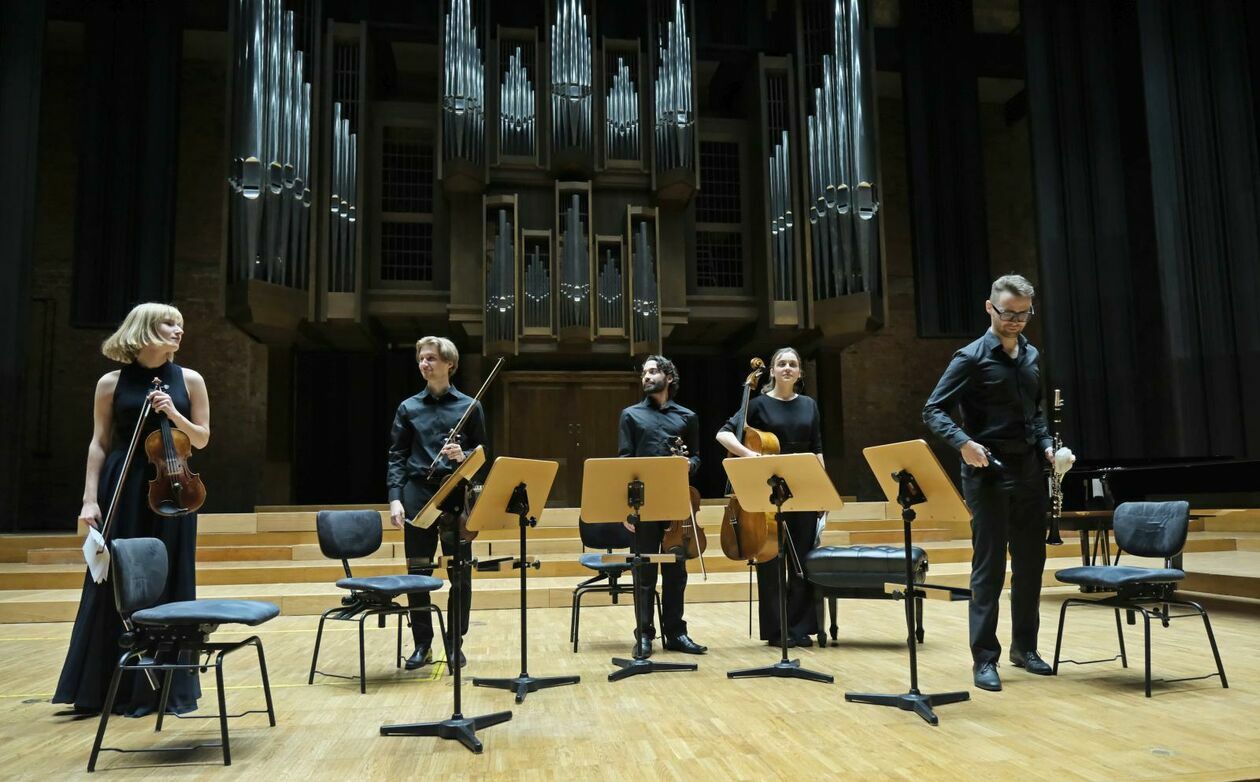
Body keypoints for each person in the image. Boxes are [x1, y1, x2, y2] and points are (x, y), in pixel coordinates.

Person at [54, 302, 209, 716]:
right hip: (123, 485)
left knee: (169, 579)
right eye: (169, 323)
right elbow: (99, 443)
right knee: (117, 584)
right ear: (143, 329)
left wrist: (173, 413)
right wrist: (90, 499)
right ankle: (108, 688)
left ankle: (164, 689)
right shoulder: (110, 383)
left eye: (180, 324)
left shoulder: (189, 380)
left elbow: (201, 439)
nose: (179, 330)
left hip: (172, 489)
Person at [923, 273, 1059, 692]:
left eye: (1023, 314)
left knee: (1031, 564)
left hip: (1030, 472)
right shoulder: (969, 358)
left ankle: (1025, 648)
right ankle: (985, 658)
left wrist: (1049, 445)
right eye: (1008, 313)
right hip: (987, 474)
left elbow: (1035, 415)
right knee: (989, 569)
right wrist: (963, 443)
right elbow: (934, 410)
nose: (1016, 321)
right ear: (990, 307)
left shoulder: (1032, 357)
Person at [387, 336, 485, 669]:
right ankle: (422, 644)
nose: (424, 364)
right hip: (418, 494)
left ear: (449, 364)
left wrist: (465, 454)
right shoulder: (408, 407)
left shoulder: (470, 406)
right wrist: (395, 500)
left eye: (431, 358)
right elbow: (397, 456)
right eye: (421, 359)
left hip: (455, 493)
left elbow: (483, 456)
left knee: (460, 574)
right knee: (417, 571)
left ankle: (454, 642)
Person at [716, 347, 822, 647]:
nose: (787, 368)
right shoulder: (758, 404)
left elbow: (817, 448)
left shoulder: (810, 405)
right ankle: (776, 631)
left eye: (793, 364)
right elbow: (724, 434)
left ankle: (800, 627)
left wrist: (824, 491)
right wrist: (752, 456)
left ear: (800, 372)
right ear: (772, 371)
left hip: (804, 488)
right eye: (781, 364)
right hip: (769, 491)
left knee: (803, 559)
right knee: (771, 559)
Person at [617, 356, 708, 659]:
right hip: (643, 504)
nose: (646, 376)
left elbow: (696, 457)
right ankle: (643, 635)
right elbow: (624, 462)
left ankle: (676, 632)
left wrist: (689, 464)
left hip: (676, 504)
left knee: (676, 571)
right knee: (643, 572)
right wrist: (627, 509)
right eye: (644, 372)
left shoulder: (687, 416)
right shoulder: (630, 415)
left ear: (669, 377)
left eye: (653, 371)